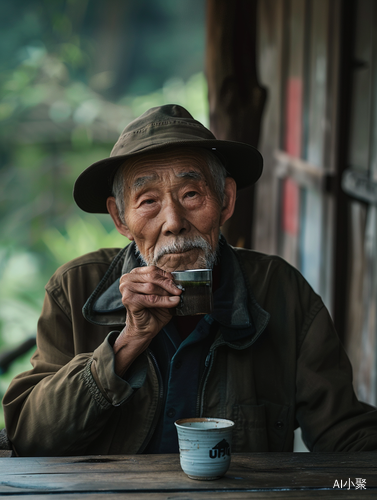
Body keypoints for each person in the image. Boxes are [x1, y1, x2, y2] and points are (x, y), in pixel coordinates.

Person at [3, 104, 377, 456]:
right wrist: (129, 342)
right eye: (148, 201)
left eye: (192, 194)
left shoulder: (281, 292)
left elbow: (344, 433)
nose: (173, 222)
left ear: (226, 200)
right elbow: (30, 437)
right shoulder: (75, 288)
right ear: (120, 219)